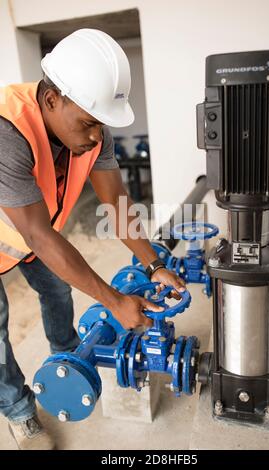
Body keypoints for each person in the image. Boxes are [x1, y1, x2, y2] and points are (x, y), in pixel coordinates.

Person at [0, 29, 185, 450]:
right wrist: (114, 301)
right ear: (51, 100)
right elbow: (37, 233)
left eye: (100, 124)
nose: (96, 136)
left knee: (59, 291)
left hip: (27, 236)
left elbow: (117, 203)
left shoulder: (91, 131)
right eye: (88, 123)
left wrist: (155, 263)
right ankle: (20, 412)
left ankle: (71, 360)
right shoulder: (6, 131)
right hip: (27, 233)